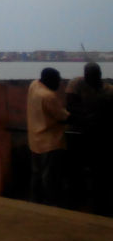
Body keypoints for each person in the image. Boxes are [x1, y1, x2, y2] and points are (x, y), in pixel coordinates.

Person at [65, 62, 113, 215]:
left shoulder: (108, 90)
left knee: (100, 171)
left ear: (99, 75)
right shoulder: (76, 83)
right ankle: (79, 199)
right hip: (81, 133)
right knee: (77, 169)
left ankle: (99, 202)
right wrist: (86, 116)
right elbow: (70, 105)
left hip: (101, 135)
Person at [26, 67, 68, 205]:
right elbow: (63, 117)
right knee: (50, 178)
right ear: (49, 80)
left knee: (36, 174)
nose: (59, 82)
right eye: (57, 79)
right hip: (50, 143)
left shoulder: (34, 85)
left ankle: (35, 201)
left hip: (34, 140)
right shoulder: (48, 96)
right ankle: (52, 204)